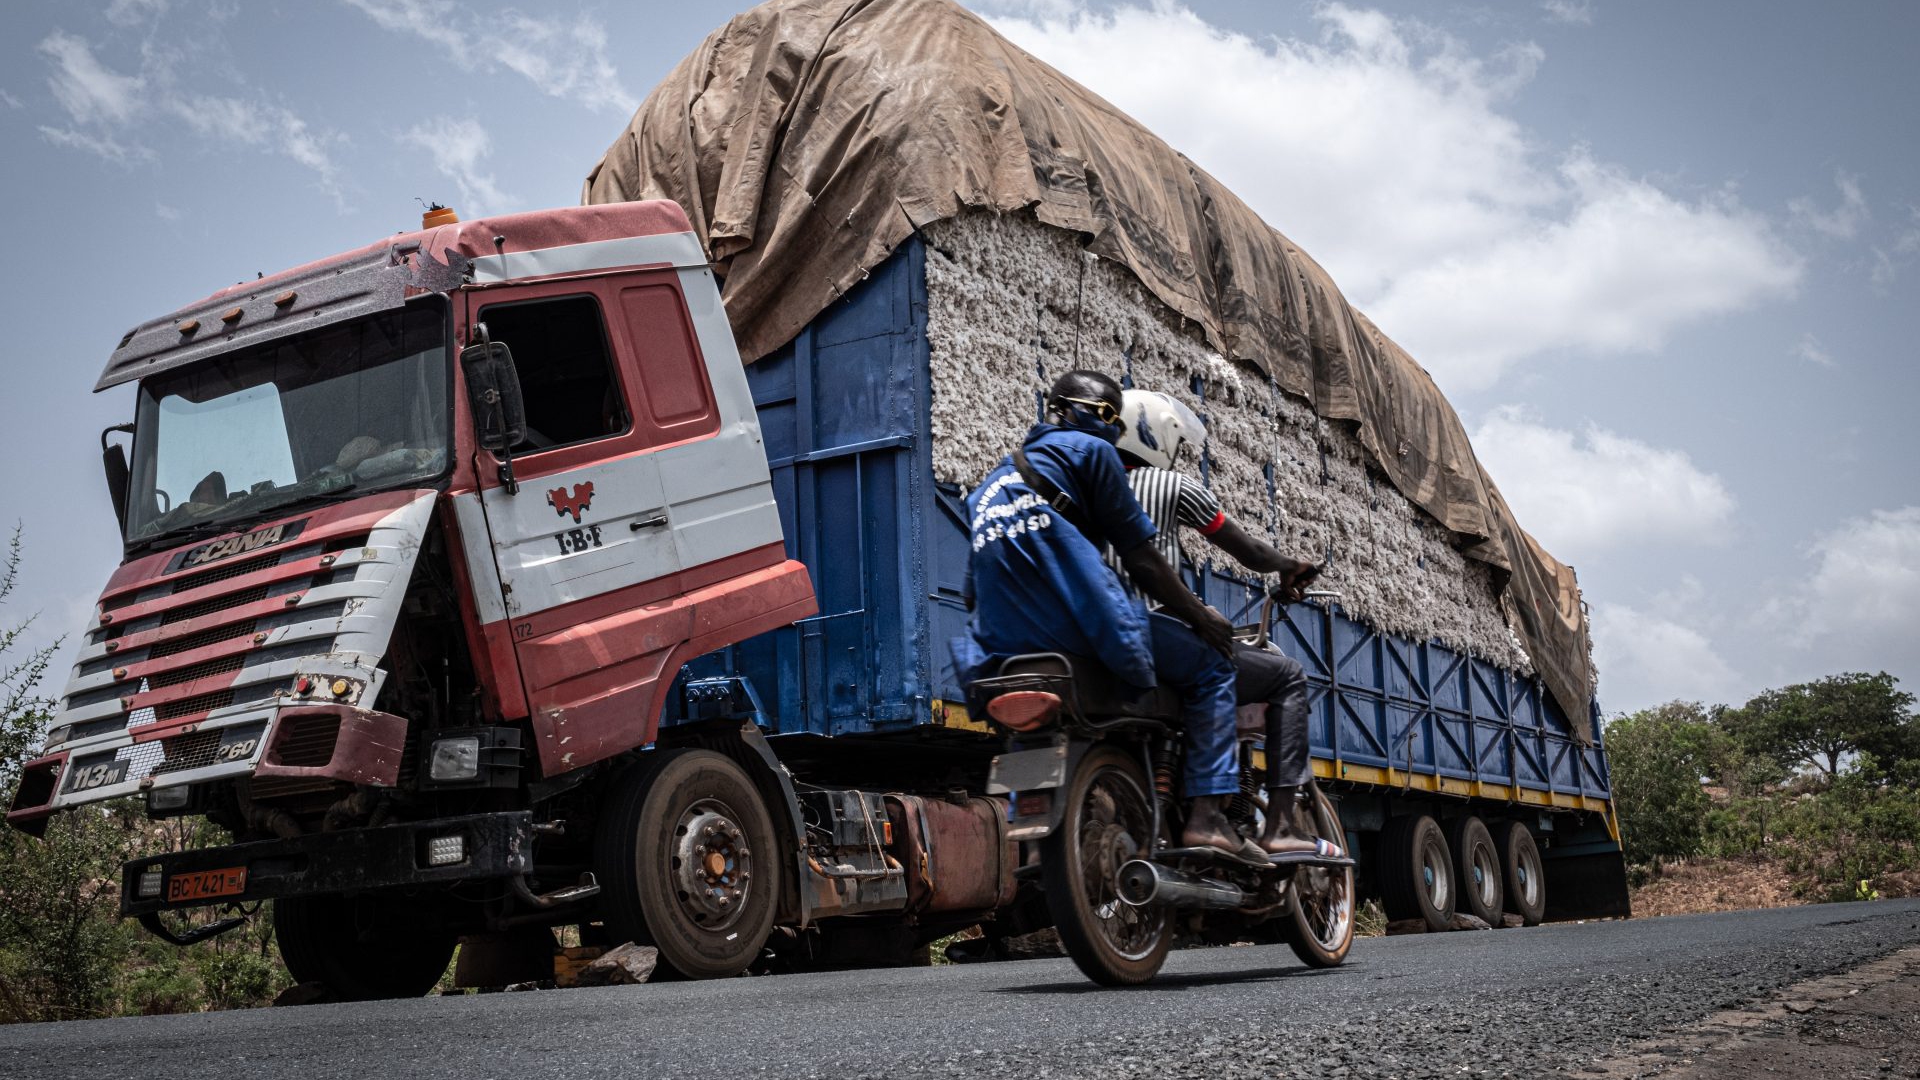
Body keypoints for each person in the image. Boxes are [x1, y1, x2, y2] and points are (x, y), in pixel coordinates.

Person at [958, 370, 1264, 863]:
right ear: (1062, 410)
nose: (1110, 428)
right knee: (1211, 669)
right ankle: (1208, 819)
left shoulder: (992, 485)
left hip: (1007, 650)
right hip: (1073, 629)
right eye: (1104, 414)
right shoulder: (1091, 453)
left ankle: (1041, 842)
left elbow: (972, 589)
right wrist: (1202, 618)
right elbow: (1141, 559)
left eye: (1115, 420)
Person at [1109, 388, 1345, 862]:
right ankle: (1272, 827)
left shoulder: (1088, 487)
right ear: (1158, 438)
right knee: (1286, 677)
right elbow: (1249, 551)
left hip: (1094, 634)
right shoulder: (1170, 485)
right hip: (1151, 629)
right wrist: (1288, 565)